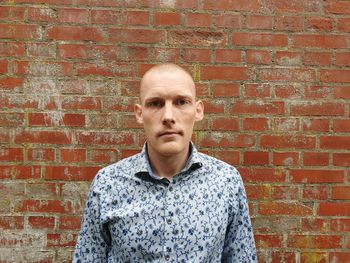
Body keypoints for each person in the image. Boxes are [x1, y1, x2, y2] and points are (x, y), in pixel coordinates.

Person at [73, 63, 257, 262]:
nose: (168, 116)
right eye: (155, 103)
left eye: (181, 102)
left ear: (198, 110)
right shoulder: (108, 184)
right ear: (139, 113)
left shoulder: (226, 181)